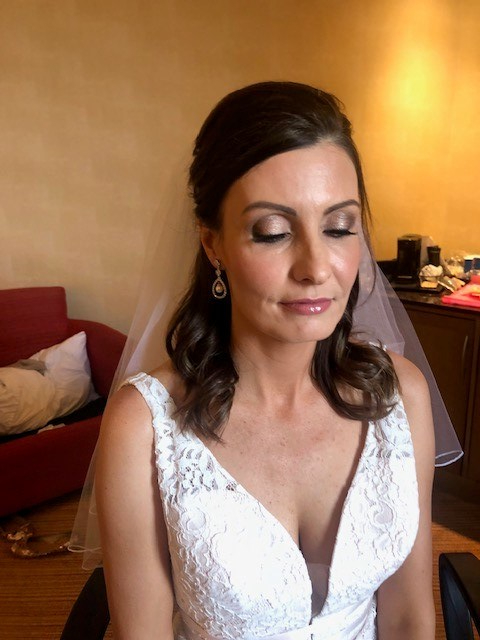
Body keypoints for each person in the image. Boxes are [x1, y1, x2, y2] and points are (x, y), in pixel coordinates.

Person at [88, 81, 457, 639]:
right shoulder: (144, 426)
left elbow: (408, 615)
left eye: (339, 227)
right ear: (212, 243)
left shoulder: (399, 395)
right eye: (273, 232)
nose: (316, 267)